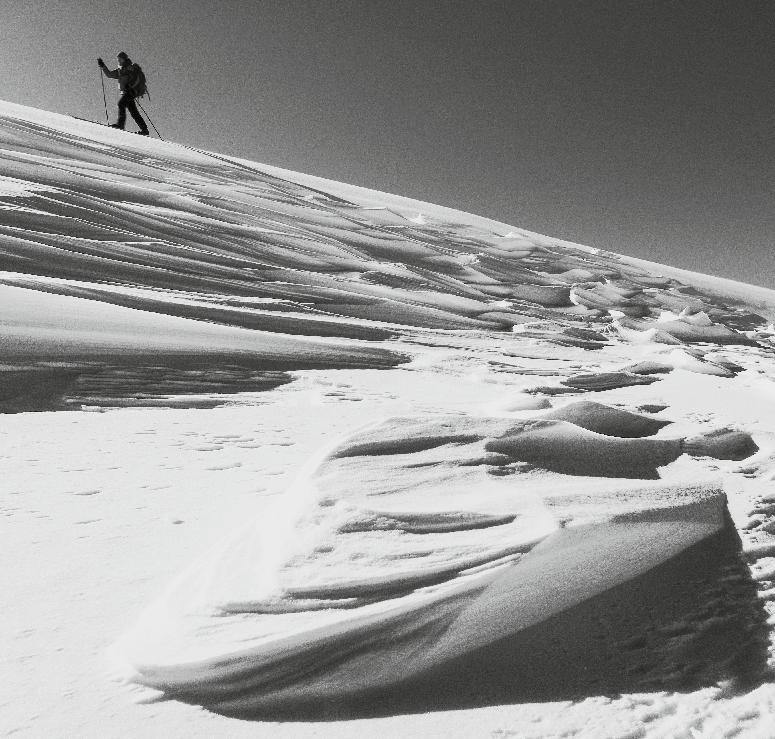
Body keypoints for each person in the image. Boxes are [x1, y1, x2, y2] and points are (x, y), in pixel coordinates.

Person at [97, 52, 149, 135]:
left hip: (131, 91)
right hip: (127, 92)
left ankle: (120, 125)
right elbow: (109, 74)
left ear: (124, 59)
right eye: (118, 59)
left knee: (121, 104)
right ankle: (144, 130)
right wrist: (103, 66)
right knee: (133, 111)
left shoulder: (130, 68)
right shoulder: (120, 70)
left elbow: (136, 79)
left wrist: (131, 86)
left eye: (120, 59)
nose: (118, 60)